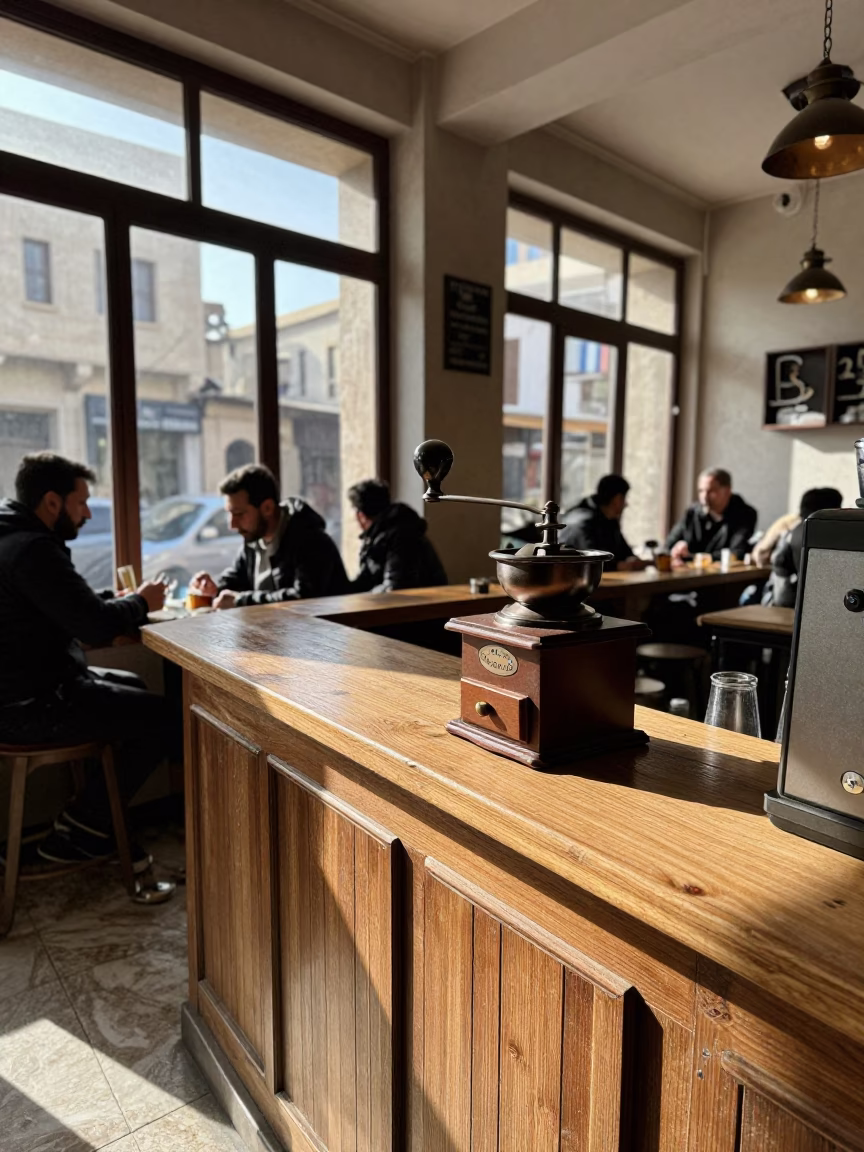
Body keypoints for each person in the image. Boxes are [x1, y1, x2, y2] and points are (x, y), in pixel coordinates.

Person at [0, 453, 173, 874]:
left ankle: (95, 821)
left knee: (131, 684)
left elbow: (60, 606)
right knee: (169, 718)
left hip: (19, 695)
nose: (87, 513)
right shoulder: (33, 549)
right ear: (53, 503)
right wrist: (141, 602)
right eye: (82, 502)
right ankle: (82, 829)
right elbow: (93, 626)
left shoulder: (11, 538)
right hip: (33, 707)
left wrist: (113, 603)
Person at [190, 463, 348, 608]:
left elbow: (303, 600)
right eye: (229, 514)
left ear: (267, 508)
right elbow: (238, 579)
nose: (232, 525)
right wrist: (214, 587)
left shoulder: (311, 542)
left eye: (239, 514)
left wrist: (240, 601)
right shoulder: (253, 538)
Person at [347, 479, 447, 592]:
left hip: (422, 606)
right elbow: (366, 581)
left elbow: (396, 587)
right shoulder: (383, 534)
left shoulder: (401, 535)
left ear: (360, 516)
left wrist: (361, 599)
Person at [666, 468, 757, 564]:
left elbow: (736, 553)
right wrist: (676, 549)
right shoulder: (692, 512)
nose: (704, 497)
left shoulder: (745, 514)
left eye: (711, 491)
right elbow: (668, 545)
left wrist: (694, 557)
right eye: (701, 491)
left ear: (727, 491)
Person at [771, 487, 843, 607]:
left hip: (799, 603)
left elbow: (779, 562)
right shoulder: (840, 534)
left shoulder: (794, 533)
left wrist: (782, 604)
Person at [559, 475, 647, 571]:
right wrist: (618, 565)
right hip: (578, 582)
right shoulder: (582, 522)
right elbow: (591, 561)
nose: (626, 504)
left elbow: (625, 553)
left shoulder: (610, 520)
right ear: (616, 499)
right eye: (623, 498)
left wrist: (633, 561)